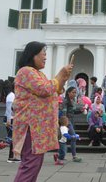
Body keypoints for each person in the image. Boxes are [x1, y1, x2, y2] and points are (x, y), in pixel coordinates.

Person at [11, 41, 72, 182]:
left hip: (37, 129)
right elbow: (44, 89)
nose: (45, 57)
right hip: (30, 127)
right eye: (43, 54)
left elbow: (53, 89)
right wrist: (60, 74)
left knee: (34, 165)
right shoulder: (26, 71)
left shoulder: (38, 74)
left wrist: (62, 78)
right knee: (30, 165)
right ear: (33, 55)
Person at [0, 81, 20, 163]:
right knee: (10, 138)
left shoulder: (10, 95)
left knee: (12, 138)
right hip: (10, 119)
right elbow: (9, 109)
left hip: (10, 118)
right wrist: (9, 120)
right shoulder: (11, 96)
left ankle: (11, 157)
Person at [61, 86, 83, 162]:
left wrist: (81, 110)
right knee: (73, 137)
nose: (74, 94)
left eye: (75, 92)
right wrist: (65, 123)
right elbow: (64, 113)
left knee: (64, 139)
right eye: (73, 92)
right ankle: (74, 156)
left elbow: (73, 111)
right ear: (68, 93)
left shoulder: (73, 100)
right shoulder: (66, 101)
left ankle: (61, 155)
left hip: (72, 120)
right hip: (67, 121)